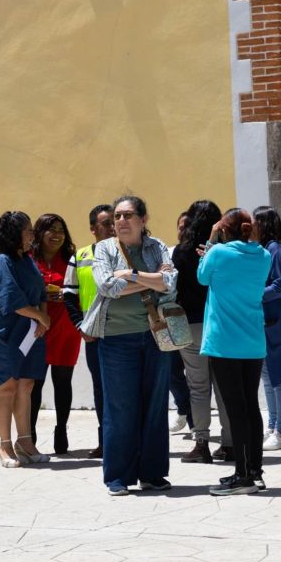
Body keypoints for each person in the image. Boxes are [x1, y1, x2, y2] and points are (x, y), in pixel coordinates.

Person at [81, 195, 178, 496]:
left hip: (156, 335)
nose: (121, 221)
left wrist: (131, 275)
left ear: (143, 219)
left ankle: (152, 474)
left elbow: (171, 282)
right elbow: (107, 287)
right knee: (120, 407)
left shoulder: (157, 246)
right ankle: (118, 476)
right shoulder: (105, 249)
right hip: (116, 339)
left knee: (155, 405)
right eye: (117, 216)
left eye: (128, 215)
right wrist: (152, 279)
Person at [199, 208, 272, 495]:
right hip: (253, 342)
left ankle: (242, 476)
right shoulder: (263, 255)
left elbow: (202, 277)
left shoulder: (217, 253)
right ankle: (255, 471)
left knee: (236, 409)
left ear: (223, 230)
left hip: (224, 343)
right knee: (251, 407)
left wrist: (210, 242)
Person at [0, 211, 51, 468]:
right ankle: (4, 445)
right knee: (7, 387)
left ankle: (25, 442)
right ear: (15, 234)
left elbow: (41, 291)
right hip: (6, 330)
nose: (32, 234)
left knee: (26, 385)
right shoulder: (2, 261)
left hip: (31, 329)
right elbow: (11, 299)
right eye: (28, 230)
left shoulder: (28, 259)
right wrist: (40, 317)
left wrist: (42, 317)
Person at [173, 200, 232, 464]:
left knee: (197, 387)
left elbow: (175, 288)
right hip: (220, 323)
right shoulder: (225, 251)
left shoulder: (181, 252)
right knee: (223, 385)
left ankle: (201, 444)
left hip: (191, 324)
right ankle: (229, 443)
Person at [26, 213, 81, 455]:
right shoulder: (28, 259)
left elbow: (81, 289)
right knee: (34, 384)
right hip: (38, 329)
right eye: (51, 229)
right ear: (40, 233)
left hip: (66, 328)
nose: (57, 235)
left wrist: (66, 294)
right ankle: (30, 433)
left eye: (61, 230)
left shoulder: (71, 260)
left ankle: (61, 430)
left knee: (62, 381)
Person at [64, 204, 115, 458]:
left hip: (123, 332)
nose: (112, 227)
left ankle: (129, 440)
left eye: (113, 222)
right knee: (101, 389)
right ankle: (106, 441)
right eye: (105, 223)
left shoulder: (127, 252)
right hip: (94, 335)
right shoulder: (80, 256)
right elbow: (68, 295)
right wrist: (80, 327)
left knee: (127, 388)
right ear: (93, 229)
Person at [253, 206, 281, 452]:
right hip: (267, 323)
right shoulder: (267, 249)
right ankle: (273, 426)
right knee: (268, 377)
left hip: (276, 324)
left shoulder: (276, 250)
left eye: (255, 222)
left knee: (278, 379)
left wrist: (254, 294)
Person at [169, 210, 193, 435]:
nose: (183, 231)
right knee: (172, 371)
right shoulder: (170, 253)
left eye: (187, 227)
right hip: (174, 321)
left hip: (195, 322)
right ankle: (184, 409)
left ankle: (194, 422)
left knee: (196, 376)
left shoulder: (201, 254)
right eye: (180, 227)